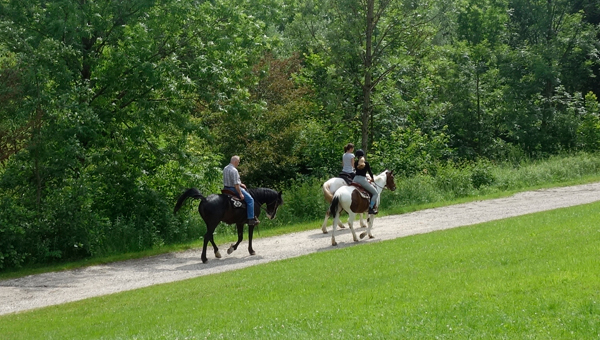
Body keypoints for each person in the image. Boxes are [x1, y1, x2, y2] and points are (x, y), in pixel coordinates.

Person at [223, 155, 259, 226]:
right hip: (233, 188)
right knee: (250, 200)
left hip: (226, 188)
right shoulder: (234, 170)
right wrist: (240, 194)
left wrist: (241, 184)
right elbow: (236, 185)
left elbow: (232, 180)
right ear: (235, 161)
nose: (238, 164)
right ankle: (251, 219)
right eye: (238, 162)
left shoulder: (225, 168)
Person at [352, 149, 378, 215]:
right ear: (363, 155)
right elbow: (370, 172)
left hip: (355, 179)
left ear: (357, 156)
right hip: (362, 180)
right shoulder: (366, 163)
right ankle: (371, 208)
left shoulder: (355, 163)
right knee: (375, 193)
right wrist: (372, 179)